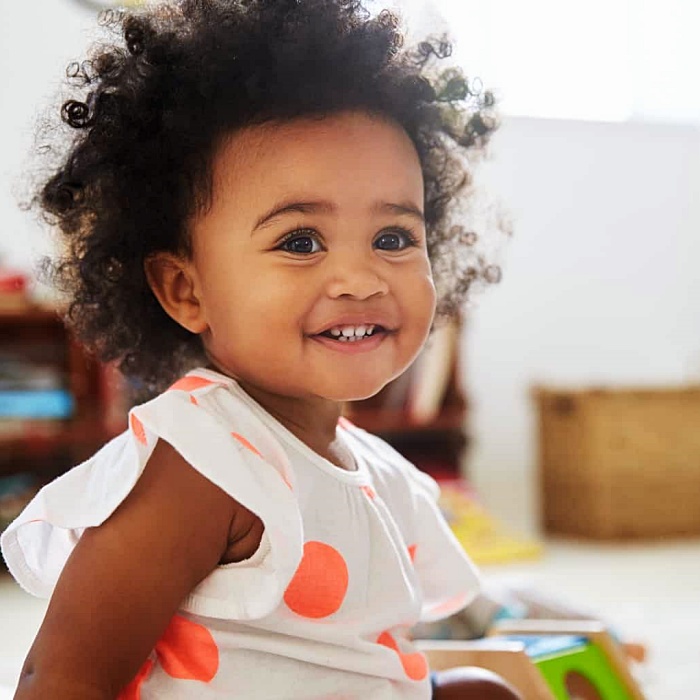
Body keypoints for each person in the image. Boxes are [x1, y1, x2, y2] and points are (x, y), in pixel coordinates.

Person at [1, 0, 518, 698]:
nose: (360, 278)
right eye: (300, 242)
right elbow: (61, 676)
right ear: (186, 289)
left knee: (483, 689)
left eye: (393, 238)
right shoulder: (203, 462)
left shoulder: (376, 472)